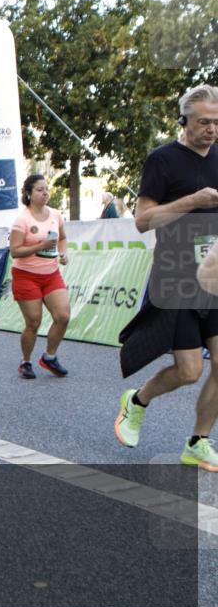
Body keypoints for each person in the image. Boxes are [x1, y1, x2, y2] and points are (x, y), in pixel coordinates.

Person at [115, 84, 218, 471]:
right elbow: (143, 221)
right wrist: (193, 200)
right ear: (183, 121)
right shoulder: (162, 160)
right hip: (177, 276)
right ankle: (137, 400)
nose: (211, 129)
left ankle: (198, 441)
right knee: (189, 371)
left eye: (217, 122)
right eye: (203, 122)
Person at [9, 174, 71, 379]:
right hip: (26, 275)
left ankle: (49, 357)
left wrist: (63, 252)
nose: (45, 193)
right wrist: (40, 246)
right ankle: (25, 361)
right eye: (39, 190)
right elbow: (15, 251)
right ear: (29, 194)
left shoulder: (55, 215)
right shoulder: (22, 219)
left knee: (63, 316)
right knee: (33, 322)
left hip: (51, 274)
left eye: (46, 189)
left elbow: (62, 238)